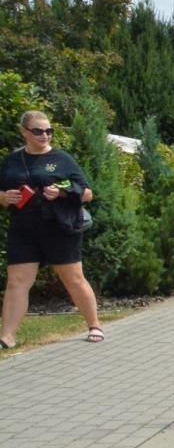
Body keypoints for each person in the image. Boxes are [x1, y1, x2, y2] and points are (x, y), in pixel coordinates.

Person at [1, 111, 101, 348]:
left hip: (59, 227)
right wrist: (5, 197)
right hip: (24, 229)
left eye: (48, 131)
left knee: (73, 279)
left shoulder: (62, 159)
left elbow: (87, 193)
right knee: (17, 282)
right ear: (24, 132)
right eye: (38, 131)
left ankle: (94, 325)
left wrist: (63, 192)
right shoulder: (12, 161)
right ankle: (7, 336)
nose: (44, 135)